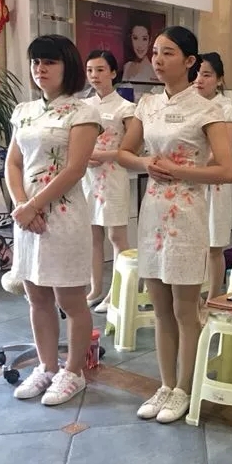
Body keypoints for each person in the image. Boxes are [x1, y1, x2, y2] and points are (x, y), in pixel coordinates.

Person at [118, 26, 232, 424]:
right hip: (152, 211)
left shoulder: (208, 109)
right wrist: (146, 163)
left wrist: (180, 170)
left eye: (168, 52)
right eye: (155, 51)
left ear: (189, 61)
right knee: (160, 307)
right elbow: (124, 152)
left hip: (187, 214)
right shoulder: (147, 104)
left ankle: (185, 387)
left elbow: (226, 171)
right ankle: (165, 385)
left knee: (185, 309)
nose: (157, 58)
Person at [5, 34, 101, 405]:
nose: (40, 69)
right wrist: (21, 204)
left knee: (70, 299)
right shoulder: (24, 111)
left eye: (49, 62)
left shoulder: (82, 112)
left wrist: (34, 206)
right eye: (36, 62)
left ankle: (73, 372)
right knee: (36, 296)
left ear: (67, 66)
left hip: (62, 216)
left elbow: (75, 169)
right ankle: (46, 367)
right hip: (27, 218)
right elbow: (14, 163)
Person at [82, 50, 135, 312]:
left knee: (116, 235)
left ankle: (117, 291)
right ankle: (95, 288)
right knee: (92, 234)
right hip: (88, 177)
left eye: (101, 70)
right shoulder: (84, 106)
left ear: (113, 73)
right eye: (90, 70)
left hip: (113, 175)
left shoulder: (126, 108)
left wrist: (103, 155)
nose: (94, 75)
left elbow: (132, 148)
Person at [193, 52, 232, 301]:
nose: (199, 80)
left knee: (213, 245)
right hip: (189, 183)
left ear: (219, 79)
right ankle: (192, 296)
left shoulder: (227, 110)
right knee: (192, 243)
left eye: (206, 75)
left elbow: (222, 153)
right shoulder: (189, 105)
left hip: (213, 183)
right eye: (196, 74)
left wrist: (186, 167)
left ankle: (213, 298)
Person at [122, 17, 157, 83]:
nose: (140, 45)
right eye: (135, 38)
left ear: (150, 40)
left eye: (144, 39)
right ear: (131, 39)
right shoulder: (127, 66)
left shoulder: (154, 72)